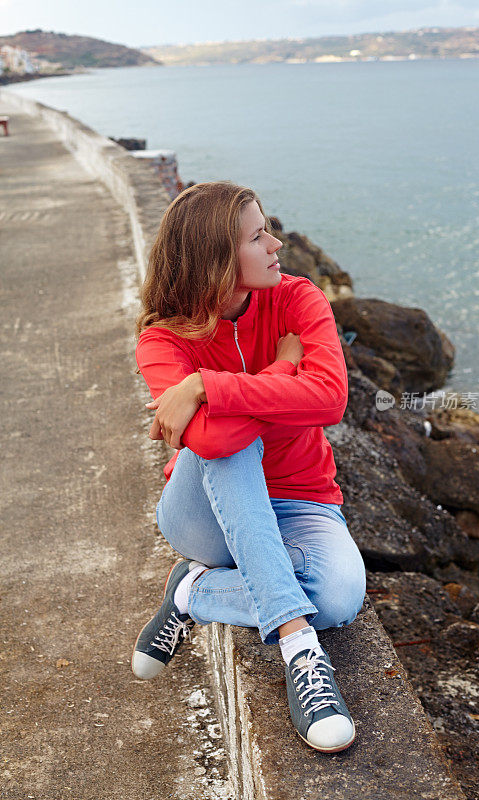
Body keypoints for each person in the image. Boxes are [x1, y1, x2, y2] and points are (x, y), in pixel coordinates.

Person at [131, 181, 366, 753]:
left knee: (339, 597)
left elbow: (331, 399)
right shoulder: (162, 340)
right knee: (225, 446)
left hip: (302, 498)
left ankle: (194, 592)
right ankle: (298, 647)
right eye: (258, 236)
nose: (277, 244)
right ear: (215, 259)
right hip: (203, 515)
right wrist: (284, 371)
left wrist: (206, 387)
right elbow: (211, 440)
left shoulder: (298, 300)